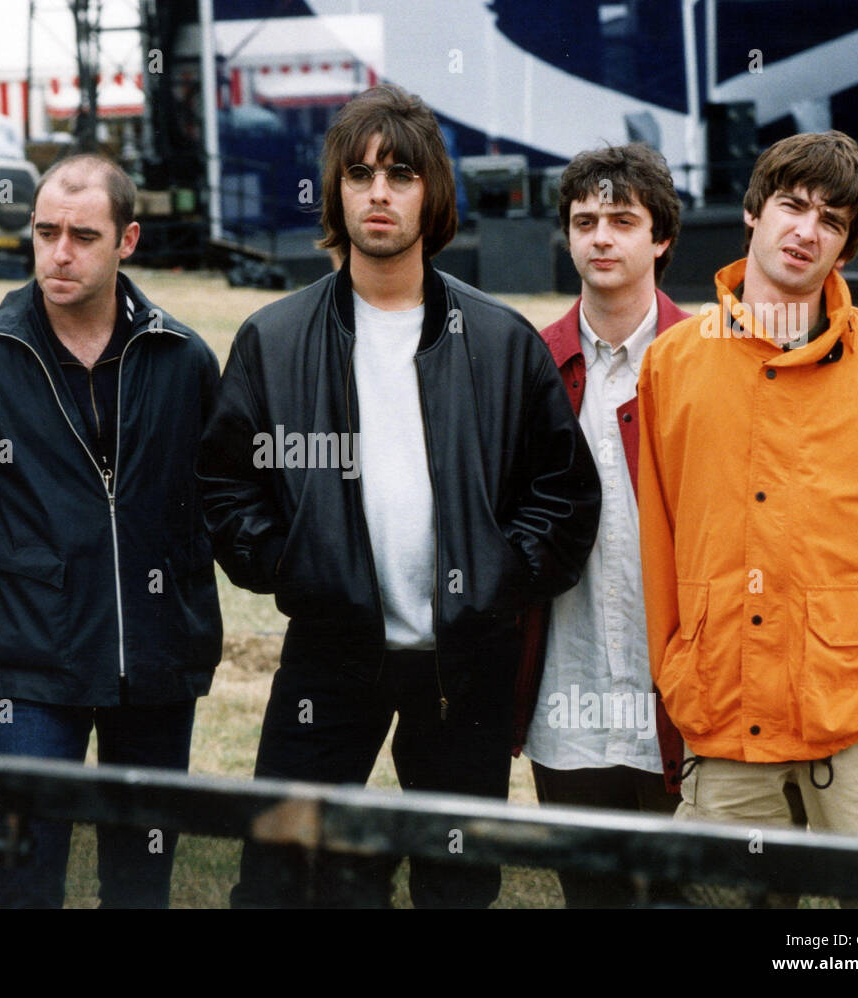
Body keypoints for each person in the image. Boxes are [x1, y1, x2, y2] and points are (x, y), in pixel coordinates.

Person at [198, 83, 600, 908]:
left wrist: (497, 575)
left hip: (465, 659)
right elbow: (225, 481)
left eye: (401, 174)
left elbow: (562, 493)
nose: (378, 192)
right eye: (359, 173)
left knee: (455, 883)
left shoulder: (498, 339)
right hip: (330, 647)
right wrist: (288, 562)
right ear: (336, 192)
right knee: (277, 873)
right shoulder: (274, 339)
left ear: (434, 193)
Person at [0, 153, 222, 909]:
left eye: (83, 236)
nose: (59, 252)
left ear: (128, 242)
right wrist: (19, 606)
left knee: (139, 879)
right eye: (45, 230)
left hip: (156, 659)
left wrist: (175, 604)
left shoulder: (183, 357)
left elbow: (212, 498)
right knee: (25, 876)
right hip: (32, 666)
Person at [639, 130, 858, 847]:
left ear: (845, 249)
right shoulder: (674, 365)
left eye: (833, 221)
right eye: (793, 205)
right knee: (726, 901)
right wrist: (677, 672)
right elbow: (659, 540)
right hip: (724, 709)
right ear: (753, 212)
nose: (807, 231)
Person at [512, 143, 690, 907]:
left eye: (623, 219)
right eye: (585, 220)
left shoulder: (709, 357)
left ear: (661, 238)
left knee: (691, 897)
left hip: (681, 702)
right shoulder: (529, 362)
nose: (602, 237)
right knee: (593, 898)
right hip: (569, 694)